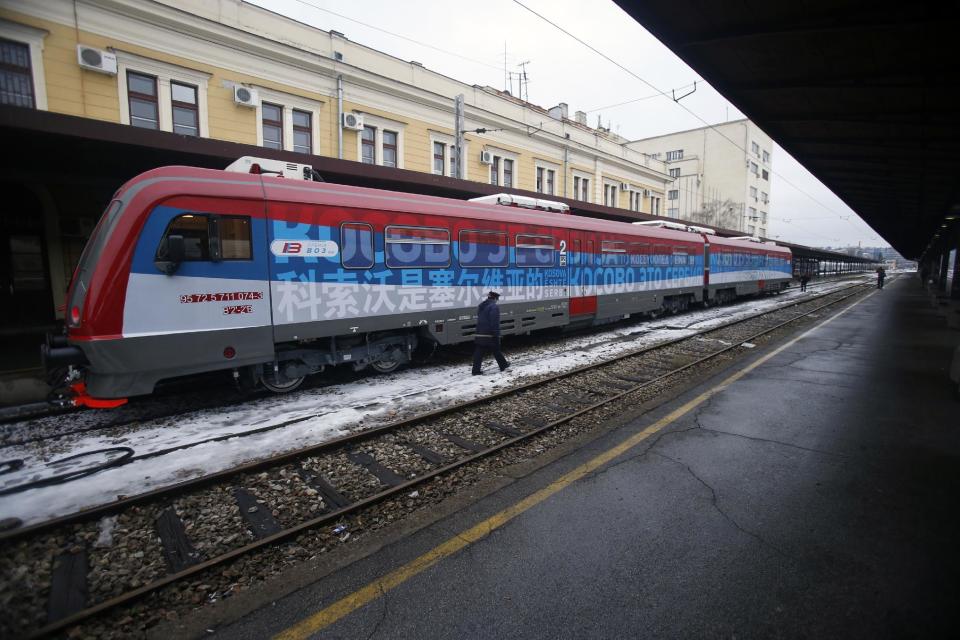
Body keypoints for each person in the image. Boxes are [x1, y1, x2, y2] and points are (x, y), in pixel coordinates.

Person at [472, 291, 509, 375]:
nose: (497, 301)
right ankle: (503, 365)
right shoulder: (494, 307)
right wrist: (496, 334)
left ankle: (475, 370)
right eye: (497, 299)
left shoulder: (481, 306)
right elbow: (494, 322)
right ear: (495, 298)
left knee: (479, 351)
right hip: (489, 333)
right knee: (496, 350)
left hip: (479, 331)